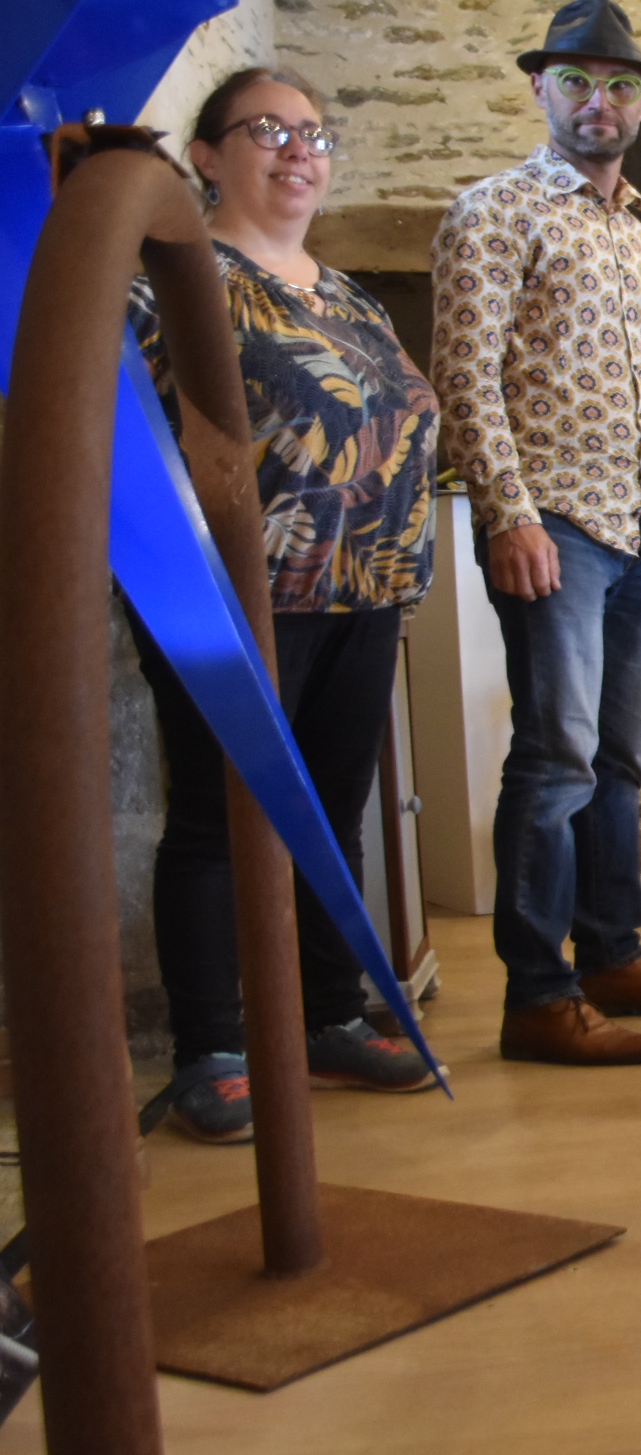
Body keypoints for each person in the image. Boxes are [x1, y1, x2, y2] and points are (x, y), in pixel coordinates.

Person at [126, 67, 439, 1143]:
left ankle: (327, 1017)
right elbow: (130, 447)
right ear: (206, 156)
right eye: (270, 129)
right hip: (235, 600)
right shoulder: (174, 282)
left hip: (364, 591)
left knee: (332, 814)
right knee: (219, 821)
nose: (300, 149)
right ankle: (212, 1050)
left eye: (315, 133)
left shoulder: (346, 295)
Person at [434, 0, 641, 1064]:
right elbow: (464, 377)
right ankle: (537, 994)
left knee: (619, 759)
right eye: (576, 80)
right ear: (541, 88)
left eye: (619, 85)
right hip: (553, 526)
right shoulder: (494, 211)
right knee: (557, 756)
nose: (597, 102)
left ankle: (613, 954)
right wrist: (507, 512)